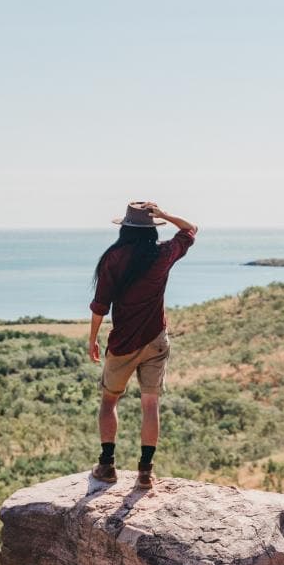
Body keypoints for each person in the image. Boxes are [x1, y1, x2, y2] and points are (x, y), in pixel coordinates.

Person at [88, 201, 198, 488]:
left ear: (125, 228)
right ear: (151, 229)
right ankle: (145, 472)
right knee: (151, 405)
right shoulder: (162, 254)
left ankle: (107, 465)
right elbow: (190, 229)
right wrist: (164, 215)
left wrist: (93, 340)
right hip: (155, 340)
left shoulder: (113, 258)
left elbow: (101, 305)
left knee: (109, 401)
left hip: (123, 343)